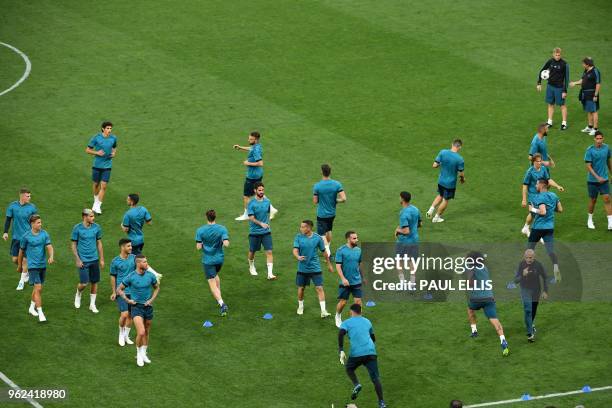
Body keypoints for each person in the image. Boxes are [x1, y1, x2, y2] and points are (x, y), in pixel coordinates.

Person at [338, 303, 386, 408]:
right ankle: (381, 403)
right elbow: (373, 338)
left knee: (349, 368)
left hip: (357, 353)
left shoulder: (347, 323)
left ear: (351, 312)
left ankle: (357, 384)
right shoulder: (367, 321)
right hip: (371, 352)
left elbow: (341, 333)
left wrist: (341, 350)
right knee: (375, 378)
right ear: (361, 312)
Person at [117, 254, 160, 367]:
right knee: (141, 332)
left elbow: (156, 288)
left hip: (148, 308)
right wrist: (127, 300)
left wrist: (151, 300)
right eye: (145, 262)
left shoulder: (150, 276)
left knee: (146, 331)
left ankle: (144, 353)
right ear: (138, 263)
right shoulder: (131, 276)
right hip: (136, 308)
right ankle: (139, 354)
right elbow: (119, 289)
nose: (147, 264)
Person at [465, 251, 509, 356]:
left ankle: (474, 331)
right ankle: (503, 340)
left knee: (470, 309)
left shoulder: (471, 269)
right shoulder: (485, 268)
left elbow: (470, 281)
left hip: (476, 299)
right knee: (495, 321)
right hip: (489, 298)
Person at [233, 131, 278, 220]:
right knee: (258, 192)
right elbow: (251, 148)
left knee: (246, 196)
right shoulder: (257, 146)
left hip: (252, 176)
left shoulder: (255, 150)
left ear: (256, 140)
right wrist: (240, 148)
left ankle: (246, 214)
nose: (249, 140)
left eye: (251, 139)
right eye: (249, 138)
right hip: (258, 174)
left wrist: (247, 163)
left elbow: (260, 163)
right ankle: (271, 209)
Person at [293, 220, 333, 318]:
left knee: (319, 288)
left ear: (309, 228)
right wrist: (297, 256)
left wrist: (329, 264)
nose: (301, 228)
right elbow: (295, 250)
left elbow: (324, 252)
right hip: (302, 268)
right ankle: (300, 306)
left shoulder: (317, 238)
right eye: (301, 226)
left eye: (303, 227)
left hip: (315, 267)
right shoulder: (298, 237)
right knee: (301, 288)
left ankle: (323, 311)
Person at [17, 215, 53, 322]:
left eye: (40, 222)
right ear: (32, 224)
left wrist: (51, 256)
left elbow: (49, 246)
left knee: (37, 289)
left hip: (42, 265)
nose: (40, 224)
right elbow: (21, 252)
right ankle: (40, 312)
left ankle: (31, 307)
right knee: (38, 288)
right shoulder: (26, 236)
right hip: (32, 266)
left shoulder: (44, 233)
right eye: (38, 223)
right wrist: (19, 265)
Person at [195, 209, 230, 316]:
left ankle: (222, 304)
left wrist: (204, 244)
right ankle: (219, 297)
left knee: (211, 282)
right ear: (215, 217)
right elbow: (227, 243)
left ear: (207, 217)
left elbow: (198, 247)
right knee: (215, 276)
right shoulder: (222, 229)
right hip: (219, 259)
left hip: (208, 260)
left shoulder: (200, 230)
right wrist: (222, 242)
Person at [521, 153, 564, 237]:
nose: (540, 163)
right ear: (533, 162)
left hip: (541, 195)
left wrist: (557, 186)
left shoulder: (543, 169)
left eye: (540, 161)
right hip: (533, 196)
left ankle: (526, 227)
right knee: (537, 213)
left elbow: (548, 180)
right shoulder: (530, 172)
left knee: (535, 213)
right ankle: (536, 232)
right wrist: (524, 199)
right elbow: (525, 185)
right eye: (538, 161)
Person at [3, 188, 38, 290]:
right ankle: (26, 271)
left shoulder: (32, 207)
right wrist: (5, 232)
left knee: (25, 260)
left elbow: (36, 221)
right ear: (22, 196)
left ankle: (21, 281)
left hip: (28, 238)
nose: (29, 198)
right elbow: (8, 220)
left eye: (30, 196)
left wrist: (36, 233)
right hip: (16, 237)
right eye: (28, 196)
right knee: (15, 259)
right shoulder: (12, 206)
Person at [528, 179, 563, 282]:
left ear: (542, 185)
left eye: (537, 183)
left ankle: (527, 274)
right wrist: (551, 208)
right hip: (549, 227)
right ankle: (557, 275)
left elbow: (542, 212)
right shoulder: (554, 195)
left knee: (529, 250)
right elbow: (560, 210)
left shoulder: (540, 197)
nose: (536, 185)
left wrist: (532, 209)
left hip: (538, 228)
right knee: (550, 251)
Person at [71, 209, 104, 313]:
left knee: (94, 282)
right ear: (85, 217)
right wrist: (77, 259)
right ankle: (78, 293)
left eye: (93, 216)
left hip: (94, 259)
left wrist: (101, 258)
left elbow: (99, 243)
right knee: (84, 283)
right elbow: (73, 245)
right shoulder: (77, 228)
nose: (93, 218)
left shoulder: (96, 227)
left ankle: (92, 304)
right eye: (91, 216)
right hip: (83, 260)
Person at [514, 249, 548, 342]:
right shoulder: (521, 265)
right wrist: (522, 274)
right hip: (525, 290)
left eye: (531, 258)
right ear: (524, 257)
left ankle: (530, 324)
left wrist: (545, 291)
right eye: (527, 258)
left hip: (536, 290)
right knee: (528, 309)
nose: (529, 259)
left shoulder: (538, 265)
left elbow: (545, 277)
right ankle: (530, 334)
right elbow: (515, 280)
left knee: (533, 309)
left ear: (534, 257)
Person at [426, 139, 465, 223]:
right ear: (460, 147)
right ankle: (436, 218)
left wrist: (441, 164)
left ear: (452, 144)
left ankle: (430, 211)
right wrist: (462, 179)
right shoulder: (460, 159)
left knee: (440, 195)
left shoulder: (443, 152)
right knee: (445, 200)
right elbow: (461, 173)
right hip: (450, 184)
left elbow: (434, 165)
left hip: (441, 180)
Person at [313, 164, 346, 255]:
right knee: (329, 230)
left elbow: (315, 201)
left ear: (321, 172)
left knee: (321, 234)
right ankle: (328, 248)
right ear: (330, 172)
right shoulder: (337, 184)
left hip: (322, 214)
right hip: (332, 213)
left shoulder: (317, 186)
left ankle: (328, 253)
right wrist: (335, 200)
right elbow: (344, 199)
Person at [86, 121, 117, 214]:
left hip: (107, 165)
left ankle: (97, 206)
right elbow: (87, 150)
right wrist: (97, 153)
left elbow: (114, 147)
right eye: (107, 128)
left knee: (103, 186)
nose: (109, 130)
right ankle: (96, 200)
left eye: (110, 128)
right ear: (103, 129)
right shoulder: (96, 138)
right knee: (96, 184)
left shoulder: (113, 138)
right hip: (97, 165)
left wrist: (114, 153)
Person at [247, 182, 276, 280]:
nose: (261, 192)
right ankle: (251, 266)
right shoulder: (251, 203)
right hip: (254, 232)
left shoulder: (267, 201)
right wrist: (261, 224)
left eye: (263, 190)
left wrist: (267, 222)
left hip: (266, 231)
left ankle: (270, 274)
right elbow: (251, 218)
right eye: (259, 190)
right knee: (252, 251)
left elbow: (267, 212)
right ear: (255, 191)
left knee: (269, 251)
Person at [110, 238, 136, 346]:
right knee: (124, 314)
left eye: (131, 246)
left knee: (131, 315)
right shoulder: (115, 261)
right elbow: (113, 277)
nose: (131, 248)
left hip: (134, 290)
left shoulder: (134, 258)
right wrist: (113, 292)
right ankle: (121, 333)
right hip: (122, 291)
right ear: (122, 247)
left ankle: (126, 336)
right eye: (128, 246)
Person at [334, 231, 363, 328]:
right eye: (354, 238)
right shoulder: (341, 250)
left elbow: (360, 264)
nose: (356, 240)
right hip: (345, 281)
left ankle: (355, 320)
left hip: (356, 280)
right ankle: (338, 316)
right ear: (348, 239)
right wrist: (343, 278)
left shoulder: (359, 250)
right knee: (343, 302)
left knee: (358, 302)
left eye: (357, 237)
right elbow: (338, 266)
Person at [583, 131, 611, 230]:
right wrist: (597, 177)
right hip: (592, 181)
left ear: (603, 139)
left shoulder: (607, 148)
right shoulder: (590, 150)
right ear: (594, 139)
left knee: (607, 199)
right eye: (597, 138)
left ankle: (610, 223)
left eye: (601, 138)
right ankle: (589, 219)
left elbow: (608, 161)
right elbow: (588, 167)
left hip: (604, 180)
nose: (599, 140)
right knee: (593, 200)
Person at [537, 47, 570, 130]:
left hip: (559, 88)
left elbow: (566, 78)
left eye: (559, 55)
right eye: (556, 55)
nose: (557, 56)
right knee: (550, 104)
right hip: (550, 86)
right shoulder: (550, 61)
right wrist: (539, 83)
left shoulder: (564, 64)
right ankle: (549, 122)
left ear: (561, 54)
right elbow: (542, 71)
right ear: (553, 54)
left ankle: (564, 123)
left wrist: (564, 91)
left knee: (562, 105)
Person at [570, 57, 601, 136]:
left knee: (594, 111)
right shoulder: (586, 70)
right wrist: (574, 83)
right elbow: (582, 80)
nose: (582, 65)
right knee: (589, 110)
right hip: (585, 94)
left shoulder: (595, 71)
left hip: (592, 94)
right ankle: (590, 127)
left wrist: (596, 95)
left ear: (588, 64)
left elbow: (598, 84)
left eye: (583, 64)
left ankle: (595, 129)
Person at [395, 191, 422, 282]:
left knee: (399, 260)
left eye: (399, 197)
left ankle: (402, 282)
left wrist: (398, 230)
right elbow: (420, 224)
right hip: (414, 240)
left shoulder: (403, 213)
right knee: (411, 261)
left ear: (402, 199)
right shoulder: (415, 209)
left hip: (404, 241)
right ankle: (412, 283)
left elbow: (406, 231)